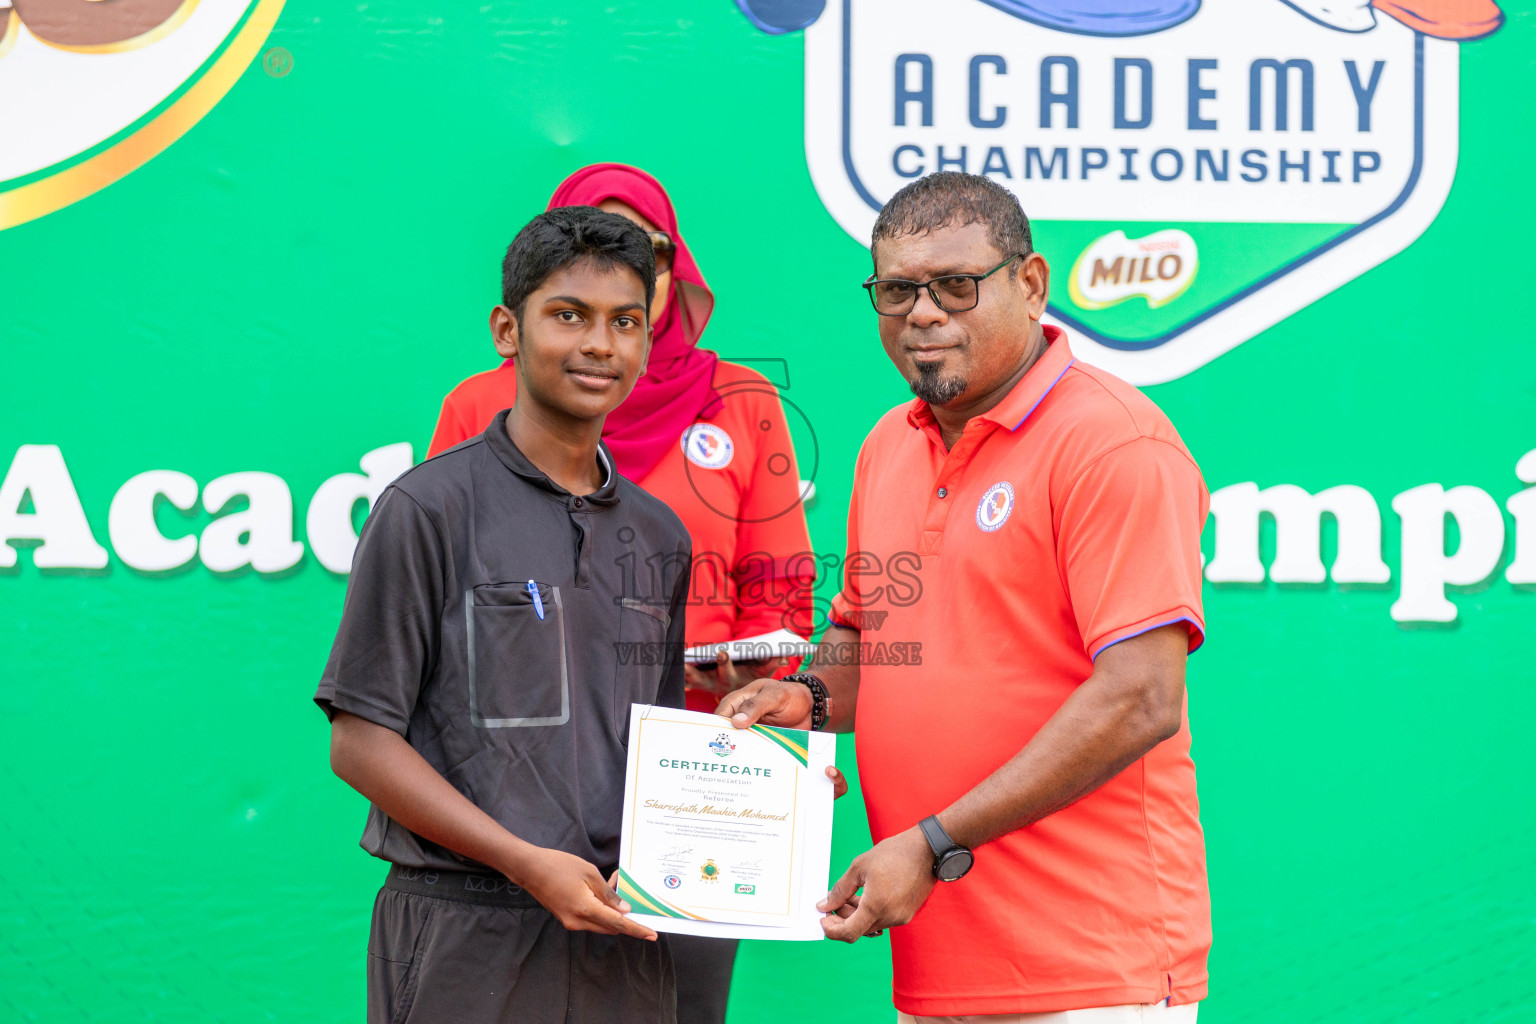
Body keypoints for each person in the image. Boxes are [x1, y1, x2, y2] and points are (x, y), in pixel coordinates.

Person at [721, 172, 1212, 1022]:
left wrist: (935, 841)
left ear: (1030, 284)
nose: (923, 313)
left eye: (955, 284)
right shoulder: (888, 446)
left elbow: (1143, 697)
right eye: (898, 290)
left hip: (1095, 968)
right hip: (942, 963)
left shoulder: (1112, 442)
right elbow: (867, 645)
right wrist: (803, 697)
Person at [427, 163, 817, 1024]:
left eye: (643, 256)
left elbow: (781, 594)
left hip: (696, 780)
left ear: (672, 278)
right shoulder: (479, 407)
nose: (601, 329)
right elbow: (452, 617)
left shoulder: (742, 403)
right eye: (576, 290)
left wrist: (767, 723)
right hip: (523, 789)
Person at [315, 206, 691, 1023]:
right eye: (569, 315)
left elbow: (658, 744)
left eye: (625, 322)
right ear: (506, 331)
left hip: (618, 931)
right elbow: (360, 740)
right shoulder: (427, 509)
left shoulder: (660, 538)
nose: (600, 344)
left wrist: (765, 792)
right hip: (461, 928)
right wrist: (524, 862)